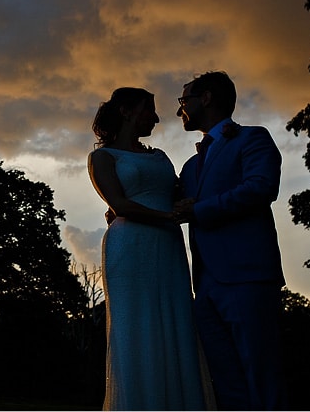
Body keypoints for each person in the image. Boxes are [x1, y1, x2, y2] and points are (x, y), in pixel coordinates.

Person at [88, 87, 214, 411]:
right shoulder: (102, 157)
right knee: (136, 329)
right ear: (127, 111)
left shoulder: (160, 158)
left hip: (168, 248)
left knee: (176, 323)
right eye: (149, 109)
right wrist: (169, 217)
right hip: (129, 249)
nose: (156, 118)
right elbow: (118, 203)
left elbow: (179, 192)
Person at [174, 71, 288, 410]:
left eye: (184, 101)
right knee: (225, 385)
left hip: (247, 276)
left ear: (206, 98)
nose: (180, 110)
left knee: (263, 377)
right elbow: (169, 204)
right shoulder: (191, 165)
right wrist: (123, 208)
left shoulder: (253, 139)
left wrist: (201, 209)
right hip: (204, 286)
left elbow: (261, 187)